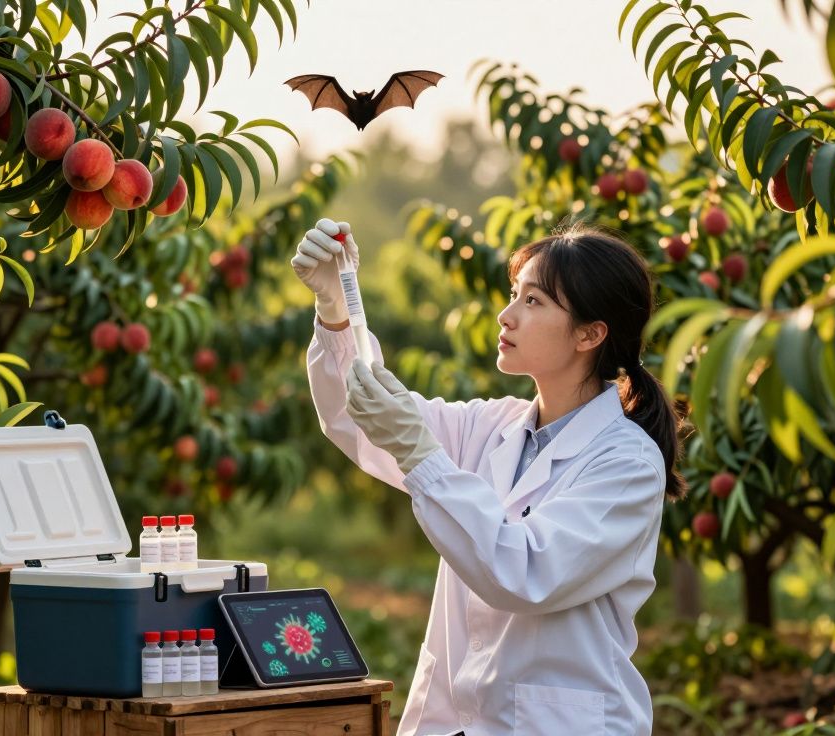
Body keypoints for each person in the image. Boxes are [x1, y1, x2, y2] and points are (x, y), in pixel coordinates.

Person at [292, 218, 685, 735]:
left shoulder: (626, 463)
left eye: (533, 301)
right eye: (514, 294)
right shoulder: (490, 426)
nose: (506, 315)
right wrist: (337, 307)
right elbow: (361, 416)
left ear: (590, 333)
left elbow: (524, 573)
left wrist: (421, 454)